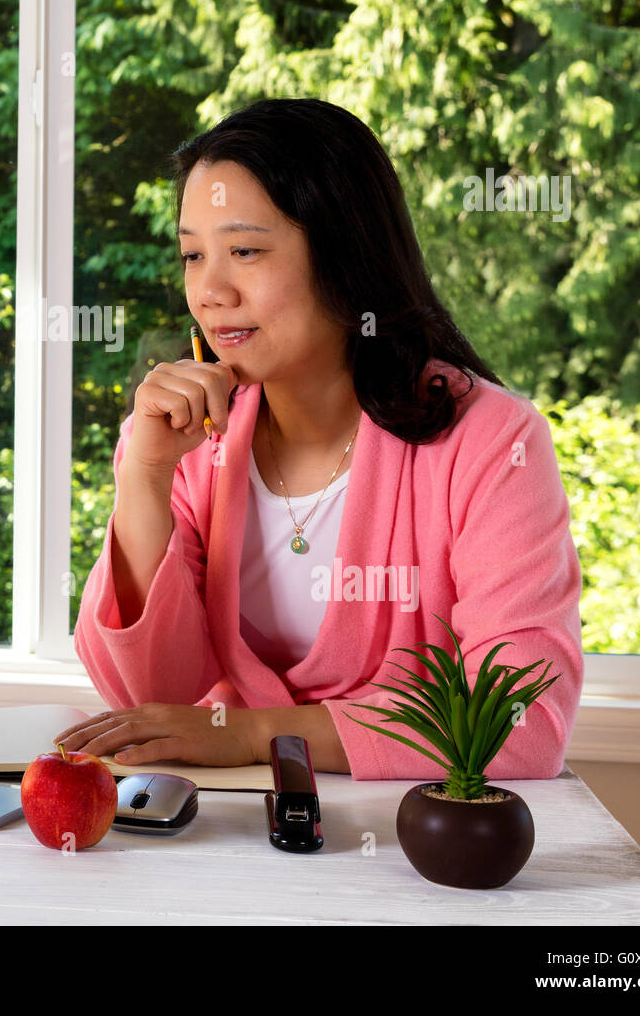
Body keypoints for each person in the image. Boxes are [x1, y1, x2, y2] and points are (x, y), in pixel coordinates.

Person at [57, 99, 584, 779]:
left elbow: (520, 722)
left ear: (344, 254)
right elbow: (153, 696)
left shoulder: (492, 442)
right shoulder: (185, 442)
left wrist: (257, 734)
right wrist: (144, 478)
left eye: (244, 250)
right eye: (193, 254)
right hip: (222, 823)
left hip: (409, 843)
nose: (209, 291)